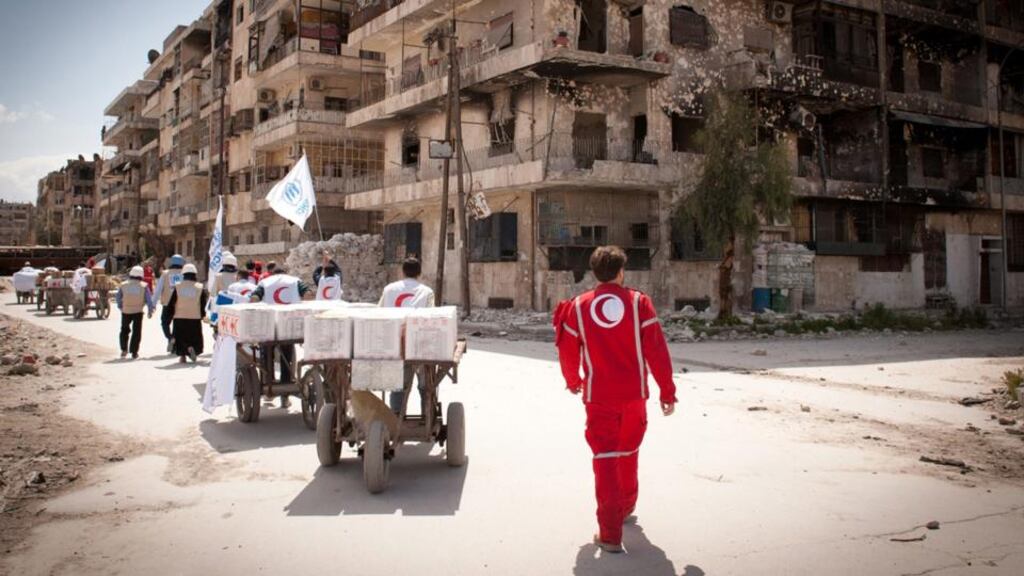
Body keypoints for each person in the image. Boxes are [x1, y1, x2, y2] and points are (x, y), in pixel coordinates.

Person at [554, 246, 677, 554]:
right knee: (629, 451)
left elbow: (567, 351)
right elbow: (657, 351)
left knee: (606, 459)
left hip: (599, 397)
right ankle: (624, 507)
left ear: (595, 273)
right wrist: (667, 391)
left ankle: (610, 534)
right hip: (635, 395)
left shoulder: (578, 307)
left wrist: (573, 382)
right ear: (621, 272)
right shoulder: (639, 303)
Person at [250, 266, 313, 406]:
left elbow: (254, 298)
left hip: (269, 324)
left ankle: (269, 387)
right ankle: (285, 394)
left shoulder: (265, 281)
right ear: (286, 273)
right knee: (287, 356)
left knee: (267, 355)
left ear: (272, 273)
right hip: (289, 324)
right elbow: (308, 294)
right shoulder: (295, 280)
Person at [379, 257, 435, 413]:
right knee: (426, 385)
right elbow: (431, 318)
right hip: (419, 345)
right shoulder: (427, 292)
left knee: (398, 385)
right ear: (419, 273)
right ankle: (427, 415)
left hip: (394, 344)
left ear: (402, 271)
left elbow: (379, 313)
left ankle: (396, 417)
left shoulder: (389, 289)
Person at [166, 263, 208, 363]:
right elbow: (203, 303)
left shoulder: (178, 286)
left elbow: (172, 302)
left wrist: (169, 315)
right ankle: (192, 348)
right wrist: (202, 315)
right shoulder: (200, 287)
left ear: (183, 274)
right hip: (194, 317)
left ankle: (183, 356)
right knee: (194, 336)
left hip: (179, 316)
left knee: (180, 337)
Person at [115, 266, 155, 359]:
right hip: (138, 312)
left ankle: (124, 349)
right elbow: (149, 299)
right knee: (136, 332)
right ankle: (134, 352)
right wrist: (150, 310)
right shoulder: (144, 286)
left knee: (124, 330)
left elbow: (118, 297)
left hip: (126, 311)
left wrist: (121, 306)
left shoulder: (123, 284)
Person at [154, 255, 186, 353]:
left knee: (165, 322)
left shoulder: (165, 274)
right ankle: (175, 346)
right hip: (180, 304)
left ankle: (170, 338)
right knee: (177, 324)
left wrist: (153, 303)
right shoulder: (185, 274)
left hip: (167, 303)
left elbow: (158, 290)